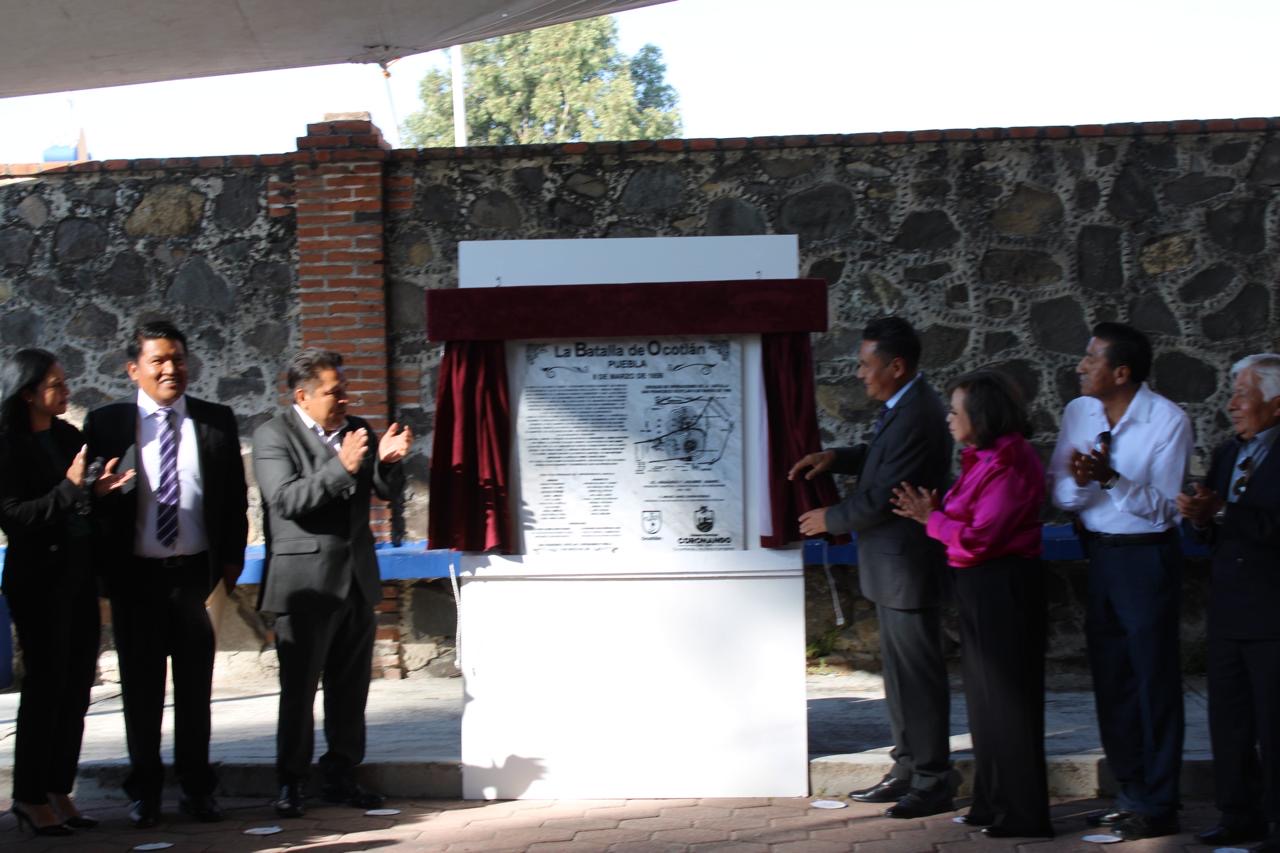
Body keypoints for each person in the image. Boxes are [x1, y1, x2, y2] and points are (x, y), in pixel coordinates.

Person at [83, 320, 249, 828]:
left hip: (196, 577)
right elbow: (90, 498)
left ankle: (198, 790)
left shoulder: (215, 420)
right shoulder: (108, 424)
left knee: (196, 693)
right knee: (141, 691)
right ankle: (146, 791)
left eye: (177, 358)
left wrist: (230, 566)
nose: (170, 369)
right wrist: (99, 495)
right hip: (137, 578)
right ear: (134, 370)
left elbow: (234, 501)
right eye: (157, 361)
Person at [789, 316, 955, 818]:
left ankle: (931, 777)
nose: (859, 373)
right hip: (892, 565)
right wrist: (837, 458)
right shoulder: (902, 405)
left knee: (917, 675)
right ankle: (907, 768)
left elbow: (886, 494)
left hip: (907, 563)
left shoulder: (919, 413)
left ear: (897, 366)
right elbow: (881, 462)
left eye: (866, 365)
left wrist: (829, 518)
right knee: (900, 676)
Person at [891, 369, 1053, 838]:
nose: (948, 418)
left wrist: (931, 520)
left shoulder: (1012, 462)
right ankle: (991, 801)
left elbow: (980, 538)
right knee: (984, 702)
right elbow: (964, 517)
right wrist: (936, 512)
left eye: (955, 411)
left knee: (1010, 703)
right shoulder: (981, 459)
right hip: (979, 587)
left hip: (1004, 586)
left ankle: (1023, 812)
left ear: (981, 415)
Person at [1048, 322, 1192, 841]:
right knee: (1111, 678)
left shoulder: (1168, 421)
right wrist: (1084, 484)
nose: (1081, 366)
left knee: (1152, 678)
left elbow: (1162, 511)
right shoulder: (1079, 413)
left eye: (1092, 359)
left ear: (1122, 372)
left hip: (1146, 557)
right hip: (1100, 553)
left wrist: (1110, 478)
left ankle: (1160, 800)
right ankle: (1129, 791)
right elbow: (1060, 489)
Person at [253, 349, 412, 818]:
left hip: (356, 579)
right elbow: (285, 500)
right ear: (302, 395)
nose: (344, 399)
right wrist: (340, 467)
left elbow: (385, 491)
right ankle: (292, 781)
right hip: (305, 584)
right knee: (299, 689)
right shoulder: (273, 435)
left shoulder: (358, 428)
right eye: (333, 392)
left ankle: (342, 773)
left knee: (351, 686)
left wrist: (388, 461)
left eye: (344, 390)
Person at [0, 349, 132, 836]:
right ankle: (29, 797)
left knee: (78, 688)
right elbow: (15, 516)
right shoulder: (8, 445)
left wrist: (96, 493)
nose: (66, 390)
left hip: (77, 577)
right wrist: (71, 490)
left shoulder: (67, 437)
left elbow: (79, 505)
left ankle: (59, 789)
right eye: (56, 384)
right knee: (45, 688)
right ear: (29, 392)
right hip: (37, 581)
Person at [1178, 353, 1280, 852]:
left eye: (1243, 394)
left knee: (1274, 722)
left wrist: (1223, 512)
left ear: (1276, 403)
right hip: (1228, 609)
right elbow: (1213, 528)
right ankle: (1238, 813)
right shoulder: (1226, 453)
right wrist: (1199, 515)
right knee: (1229, 719)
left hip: (1272, 612)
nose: (1233, 405)